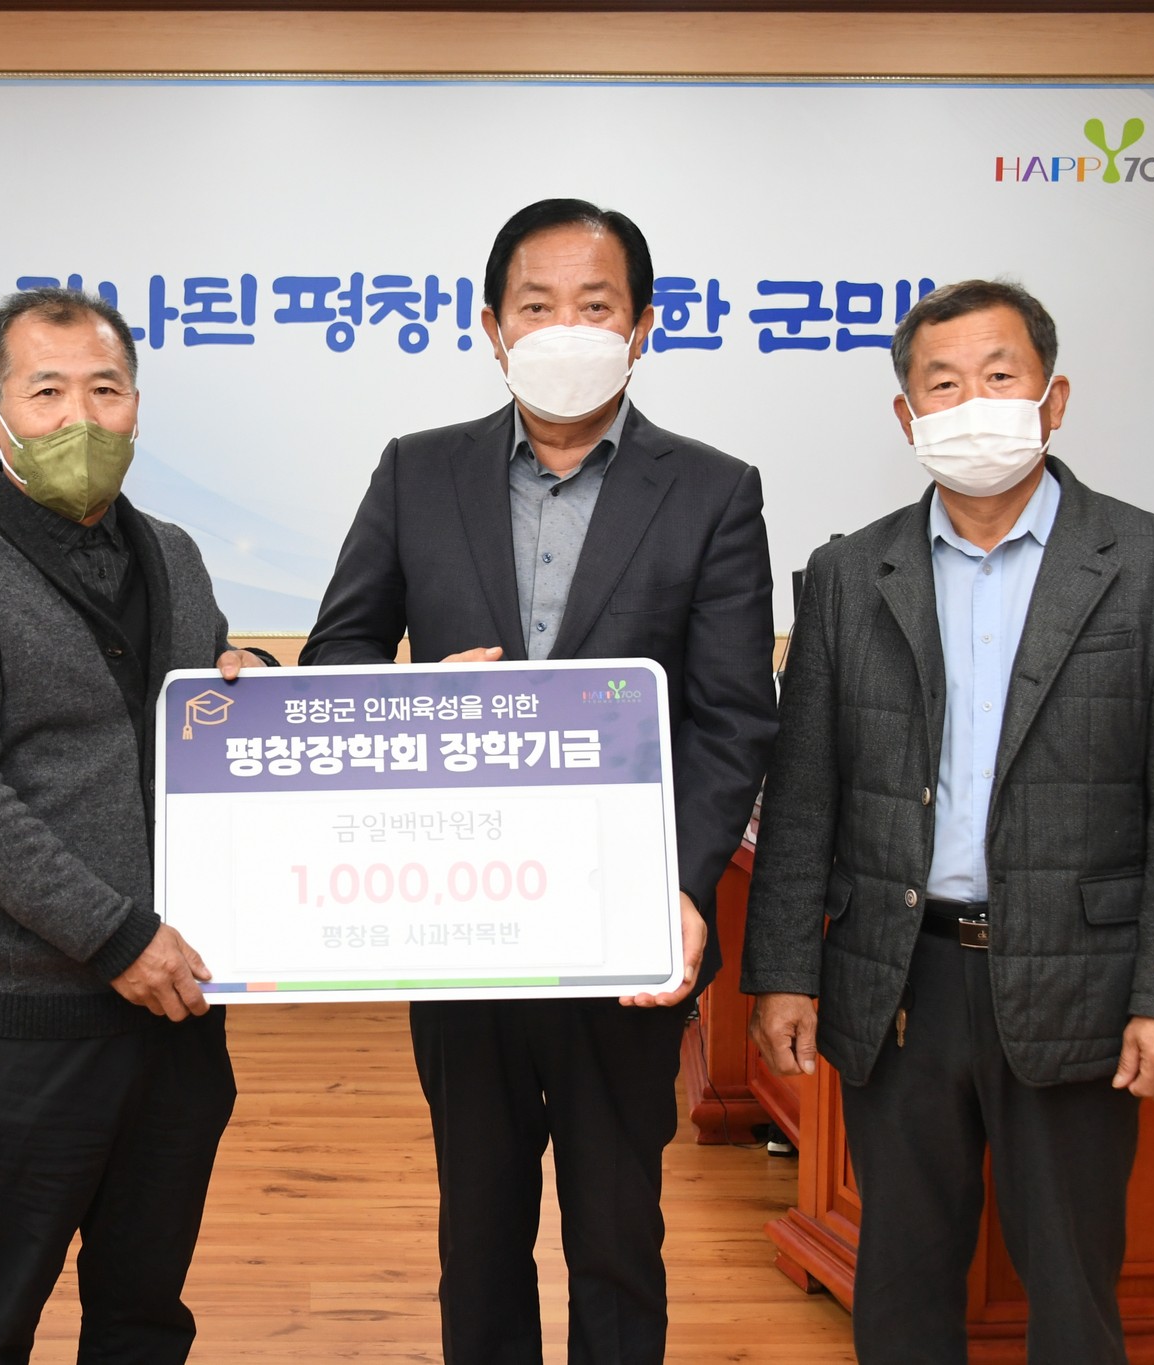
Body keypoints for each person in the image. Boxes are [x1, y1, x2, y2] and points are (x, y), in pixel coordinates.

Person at [302, 198, 778, 1363]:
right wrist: (418, 702)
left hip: (627, 930)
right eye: (536, 305)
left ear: (643, 326)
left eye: (594, 306)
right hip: (459, 919)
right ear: (491, 327)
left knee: (615, 1235)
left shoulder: (713, 490)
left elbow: (729, 719)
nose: (565, 329)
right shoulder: (416, 473)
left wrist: (681, 888)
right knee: (477, 1234)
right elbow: (335, 659)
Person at [741, 279, 1154, 1364]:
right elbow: (805, 792)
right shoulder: (846, 575)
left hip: (1079, 982)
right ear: (905, 414)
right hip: (898, 981)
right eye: (943, 384)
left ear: (1053, 400)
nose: (973, 404)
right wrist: (780, 972)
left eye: (999, 377)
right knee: (901, 1284)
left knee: (1070, 1287)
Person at [0, 286, 269, 1365]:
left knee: (145, 1313)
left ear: (136, 405)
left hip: (176, 1015)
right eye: (46, 392)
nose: (81, 419)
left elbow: (196, 702)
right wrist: (115, 937)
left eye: (106, 390)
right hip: (22, 1017)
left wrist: (254, 680)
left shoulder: (173, 554)